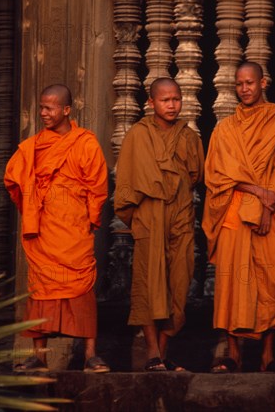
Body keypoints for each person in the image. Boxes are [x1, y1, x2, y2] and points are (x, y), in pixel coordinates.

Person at [202, 62, 275, 372]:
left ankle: (268, 355)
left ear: (263, 83)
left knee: (271, 280)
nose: (245, 89)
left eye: (250, 82)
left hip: (270, 212)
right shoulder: (224, 129)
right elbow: (217, 174)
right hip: (235, 211)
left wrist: (266, 204)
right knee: (232, 282)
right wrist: (258, 193)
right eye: (240, 84)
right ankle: (233, 353)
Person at [4, 84, 110, 373]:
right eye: (41, 107)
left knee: (82, 289)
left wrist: (88, 220)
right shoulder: (32, 146)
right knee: (40, 290)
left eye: (50, 108)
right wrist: (32, 208)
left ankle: (90, 354)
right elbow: (14, 180)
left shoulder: (85, 143)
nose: (43, 113)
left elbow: (98, 186)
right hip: (44, 232)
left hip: (74, 230)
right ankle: (39, 357)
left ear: (66, 110)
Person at [114, 77, 204, 371]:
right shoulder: (138, 135)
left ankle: (163, 354)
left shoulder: (188, 137)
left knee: (178, 286)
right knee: (149, 285)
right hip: (150, 219)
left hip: (180, 218)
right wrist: (144, 215)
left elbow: (194, 175)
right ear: (151, 102)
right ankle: (153, 353)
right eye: (165, 100)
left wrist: (174, 197)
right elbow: (126, 184)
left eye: (176, 99)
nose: (172, 105)